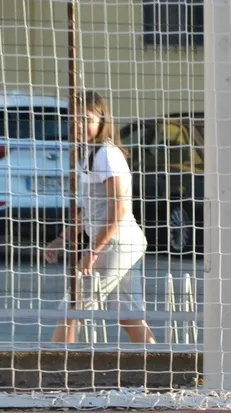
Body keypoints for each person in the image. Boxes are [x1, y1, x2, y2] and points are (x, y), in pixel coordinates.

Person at [45, 90, 156, 344]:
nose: (79, 125)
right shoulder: (89, 153)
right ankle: (155, 364)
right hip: (122, 242)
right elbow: (90, 209)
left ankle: (54, 364)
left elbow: (118, 209)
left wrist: (93, 251)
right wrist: (62, 238)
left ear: (102, 120)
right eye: (75, 120)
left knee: (73, 307)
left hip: (117, 243)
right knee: (128, 316)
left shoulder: (106, 153)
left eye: (87, 119)